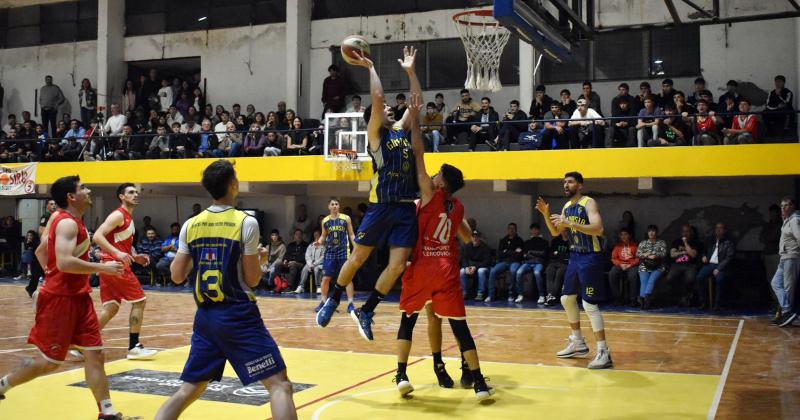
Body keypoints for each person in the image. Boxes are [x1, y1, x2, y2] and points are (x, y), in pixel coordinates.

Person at [154, 160, 296, 420]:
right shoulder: (246, 222)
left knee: (190, 388)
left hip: (205, 317)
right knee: (280, 385)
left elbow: (176, 275)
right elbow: (252, 280)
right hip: (237, 314)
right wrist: (262, 261)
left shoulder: (191, 224)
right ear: (233, 184)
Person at [0, 176, 130, 419]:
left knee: (95, 353)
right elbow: (64, 261)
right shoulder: (66, 223)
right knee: (50, 362)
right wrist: (100, 268)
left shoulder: (68, 220)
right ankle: (3, 384)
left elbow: (42, 252)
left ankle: (107, 413)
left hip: (80, 298)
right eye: (83, 188)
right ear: (71, 197)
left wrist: (50, 276)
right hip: (60, 301)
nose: (89, 190)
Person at [315, 46, 422, 342]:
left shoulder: (400, 130)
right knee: (359, 257)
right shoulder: (376, 134)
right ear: (373, 118)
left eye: (389, 109)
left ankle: (368, 310)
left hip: (404, 208)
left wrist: (411, 72)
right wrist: (371, 68)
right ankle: (333, 299)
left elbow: (416, 103)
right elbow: (376, 99)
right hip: (381, 206)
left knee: (398, 265)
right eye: (385, 109)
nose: (389, 108)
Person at [394, 92, 494, 401]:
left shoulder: (428, 194)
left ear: (441, 183)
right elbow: (466, 237)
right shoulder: (458, 207)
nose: (433, 174)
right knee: (461, 327)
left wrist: (414, 120)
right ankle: (477, 381)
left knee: (407, 320)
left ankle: (400, 374)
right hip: (447, 270)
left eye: (438, 174)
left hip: (423, 267)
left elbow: (419, 152)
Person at [536, 172, 612, 369]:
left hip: (591, 256)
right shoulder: (567, 207)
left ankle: (604, 351)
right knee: (566, 299)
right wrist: (546, 215)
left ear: (580, 185)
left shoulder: (588, 203)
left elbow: (598, 228)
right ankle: (578, 342)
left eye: (570, 182)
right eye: (564, 182)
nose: (566, 185)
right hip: (575, 256)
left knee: (589, 305)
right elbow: (555, 233)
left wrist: (570, 223)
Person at [91, 183, 158, 361]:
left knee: (111, 308)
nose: (135, 194)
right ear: (122, 196)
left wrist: (134, 257)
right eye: (130, 192)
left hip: (110, 266)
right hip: (115, 266)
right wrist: (118, 253)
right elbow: (97, 236)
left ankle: (83, 343)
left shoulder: (128, 217)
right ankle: (134, 347)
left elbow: (120, 243)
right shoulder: (118, 215)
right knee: (140, 302)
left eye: (136, 192)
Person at [313, 198, 356, 312]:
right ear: (329, 207)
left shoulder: (346, 219)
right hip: (330, 251)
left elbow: (351, 235)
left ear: (339, 206)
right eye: (332, 204)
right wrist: (319, 241)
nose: (335, 206)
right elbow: (323, 235)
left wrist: (356, 247)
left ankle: (351, 304)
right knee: (326, 278)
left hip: (343, 251)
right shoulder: (325, 221)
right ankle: (323, 302)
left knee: (347, 277)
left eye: (337, 204)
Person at [771, 197, 800, 327]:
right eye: (782, 206)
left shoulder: (794, 220)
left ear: (792, 207)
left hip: (791, 257)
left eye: (786, 205)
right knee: (775, 283)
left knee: (789, 288)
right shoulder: (786, 220)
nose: (783, 208)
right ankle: (787, 310)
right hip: (784, 258)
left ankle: (788, 315)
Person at [695, 223, 735, 312]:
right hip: (710, 264)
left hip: (721, 265)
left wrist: (718, 268)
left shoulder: (728, 243)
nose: (718, 230)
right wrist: (704, 256)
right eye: (717, 228)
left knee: (719, 279)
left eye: (721, 228)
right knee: (699, 277)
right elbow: (704, 251)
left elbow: (729, 258)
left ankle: (717, 304)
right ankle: (703, 302)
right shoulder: (711, 240)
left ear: (725, 230)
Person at [636, 225, 667, 309]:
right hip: (644, 266)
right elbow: (638, 254)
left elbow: (664, 253)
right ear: (647, 232)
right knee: (644, 282)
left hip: (658, 266)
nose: (651, 233)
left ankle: (645, 300)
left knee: (651, 281)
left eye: (653, 231)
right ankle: (643, 302)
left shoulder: (661, 242)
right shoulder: (643, 243)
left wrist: (655, 255)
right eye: (649, 231)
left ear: (656, 232)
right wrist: (646, 255)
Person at [515, 223, 548, 304]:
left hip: (538, 262)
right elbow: (525, 254)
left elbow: (543, 253)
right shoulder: (527, 242)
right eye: (532, 229)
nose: (534, 231)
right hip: (528, 262)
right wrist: (533, 254)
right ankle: (520, 294)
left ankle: (541, 295)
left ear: (539, 231)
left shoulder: (544, 242)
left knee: (537, 273)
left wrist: (531, 252)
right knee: (519, 272)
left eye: (536, 229)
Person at [608, 228, 640, 306]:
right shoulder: (617, 246)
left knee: (633, 276)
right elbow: (613, 258)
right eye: (621, 235)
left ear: (629, 235)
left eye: (625, 234)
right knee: (612, 273)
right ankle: (617, 298)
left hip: (632, 265)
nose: (623, 236)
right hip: (620, 265)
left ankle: (633, 300)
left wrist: (630, 265)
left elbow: (638, 258)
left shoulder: (635, 245)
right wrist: (620, 264)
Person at [544, 230, 570, 306]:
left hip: (564, 263)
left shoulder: (571, 241)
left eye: (566, 231)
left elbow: (568, 255)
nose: (565, 232)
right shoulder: (555, 240)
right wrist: (560, 254)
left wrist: (558, 254)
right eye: (563, 231)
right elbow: (551, 253)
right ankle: (550, 295)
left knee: (558, 275)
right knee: (549, 272)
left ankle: (552, 296)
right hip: (553, 262)